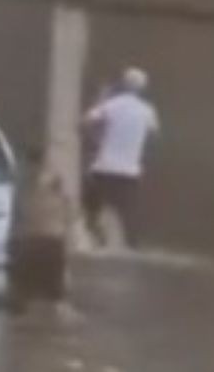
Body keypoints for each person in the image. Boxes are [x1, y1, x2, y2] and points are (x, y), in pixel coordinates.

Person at [82, 66, 160, 249]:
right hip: (130, 171)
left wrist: (96, 138)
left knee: (91, 206)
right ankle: (133, 243)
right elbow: (154, 135)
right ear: (143, 88)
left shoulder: (111, 104)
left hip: (104, 167)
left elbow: (86, 121)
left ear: (123, 84)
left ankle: (96, 235)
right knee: (128, 211)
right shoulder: (147, 111)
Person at [8, 150, 72, 314]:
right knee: (56, 301)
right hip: (52, 245)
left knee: (19, 301)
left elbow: (15, 222)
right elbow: (67, 222)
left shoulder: (20, 186)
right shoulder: (58, 188)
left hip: (29, 245)